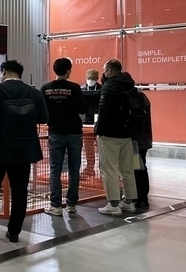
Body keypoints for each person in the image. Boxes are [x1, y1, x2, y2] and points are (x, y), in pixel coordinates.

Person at [0, 60, 48, 243]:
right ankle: (14, 232)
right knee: (20, 191)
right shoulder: (34, 93)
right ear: (20, 74)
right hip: (24, 150)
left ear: (4, 71)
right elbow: (44, 118)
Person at [41, 58, 87, 216]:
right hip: (74, 132)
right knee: (74, 170)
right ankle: (72, 204)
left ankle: (55, 206)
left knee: (55, 170)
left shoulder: (45, 88)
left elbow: (42, 110)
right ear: (68, 71)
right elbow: (83, 108)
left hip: (55, 132)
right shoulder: (74, 88)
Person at [95, 59, 138, 216]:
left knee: (110, 169)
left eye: (104, 70)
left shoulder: (109, 86)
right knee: (127, 169)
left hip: (109, 134)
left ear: (109, 70)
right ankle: (129, 202)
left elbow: (104, 110)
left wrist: (99, 131)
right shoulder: (129, 85)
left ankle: (113, 204)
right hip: (127, 134)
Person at [131, 83, 153, 210]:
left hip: (134, 141)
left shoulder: (130, 98)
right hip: (144, 140)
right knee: (141, 167)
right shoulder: (142, 96)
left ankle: (139, 198)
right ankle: (143, 198)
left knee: (136, 169)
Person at [81, 69, 101, 178]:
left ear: (97, 79)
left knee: (102, 147)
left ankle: (103, 169)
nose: (90, 80)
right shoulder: (82, 90)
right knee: (88, 148)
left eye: (92, 78)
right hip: (86, 122)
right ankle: (89, 168)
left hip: (99, 122)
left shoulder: (102, 89)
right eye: (89, 78)